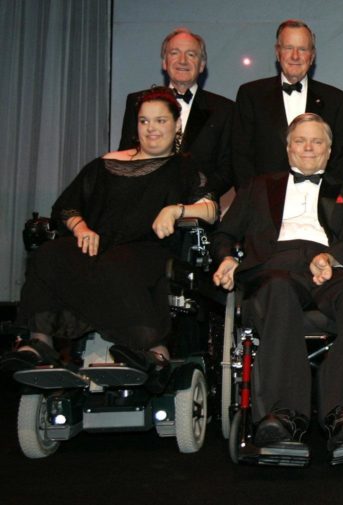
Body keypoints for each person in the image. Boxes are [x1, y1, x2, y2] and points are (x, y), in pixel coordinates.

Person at [3, 88, 217, 385]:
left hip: (146, 248)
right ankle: (39, 343)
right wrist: (81, 227)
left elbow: (210, 209)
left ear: (176, 125)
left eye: (160, 121)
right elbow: (66, 205)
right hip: (98, 243)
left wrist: (176, 209)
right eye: (144, 122)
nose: (151, 128)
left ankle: (152, 348)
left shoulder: (184, 168)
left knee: (118, 263)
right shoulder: (106, 164)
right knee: (47, 255)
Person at [211, 113, 343, 452]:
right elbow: (225, 232)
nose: (308, 147)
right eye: (300, 140)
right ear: (288, 148)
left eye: (317, 141)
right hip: (275, 266)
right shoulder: (259, 186)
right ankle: (283, 414)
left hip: (326, 268)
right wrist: (227, 257)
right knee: (278, 288)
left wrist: (329, 258)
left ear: (329, 150)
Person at [232, 19, 343, 186]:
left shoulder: (337, 100)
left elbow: (340, 160)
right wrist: (253, 202)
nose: (295, 56)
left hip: (320, 204)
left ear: (312, 56)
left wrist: (328, 204)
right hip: (263, 202)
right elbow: (240, 156)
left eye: (302, 49)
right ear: (277, 52)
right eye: (289, 48)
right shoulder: (251, 95)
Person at [119, 28, 234, 197]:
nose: (182, 61)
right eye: (174, 53)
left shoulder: (225, 109)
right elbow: (127, 155)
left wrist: (196, 197)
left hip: (198, 211)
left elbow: (227, 169)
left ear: (202, 65)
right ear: (164, 62)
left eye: (191, 55)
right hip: (144, 208)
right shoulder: (138, 102)